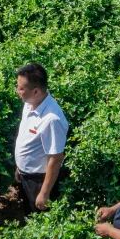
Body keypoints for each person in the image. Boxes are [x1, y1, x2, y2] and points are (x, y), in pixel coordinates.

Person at [13, 62, 69, 215]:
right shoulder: (30, 103)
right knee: (27, 214)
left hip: (39, 181)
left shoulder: (51, 119)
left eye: (21, 88)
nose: (17, 91)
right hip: (25, 175)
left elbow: (56, 158)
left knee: (39, 217)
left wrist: (44, 193)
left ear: (36, 91)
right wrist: (20, 166)